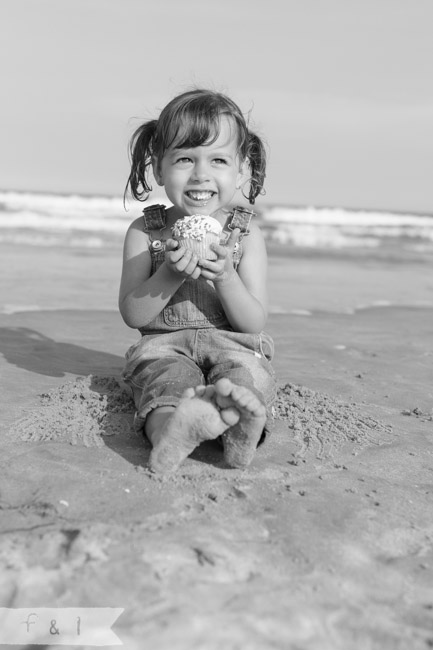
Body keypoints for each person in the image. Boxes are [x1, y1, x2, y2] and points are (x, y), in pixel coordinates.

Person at [119, 88, 277, 474]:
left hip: (233, 344)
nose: (201, 174)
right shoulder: (146, 231)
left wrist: (225, 276)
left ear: (241, 170)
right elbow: (134, 314)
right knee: (163, 386)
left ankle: (241, 432)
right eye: (185, 159)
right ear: (159, 168)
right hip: (165, 346)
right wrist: (170, 272)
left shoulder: (245, 235)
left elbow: (253, 323)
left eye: (218, 160)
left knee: (245, 376)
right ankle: (171, 432)